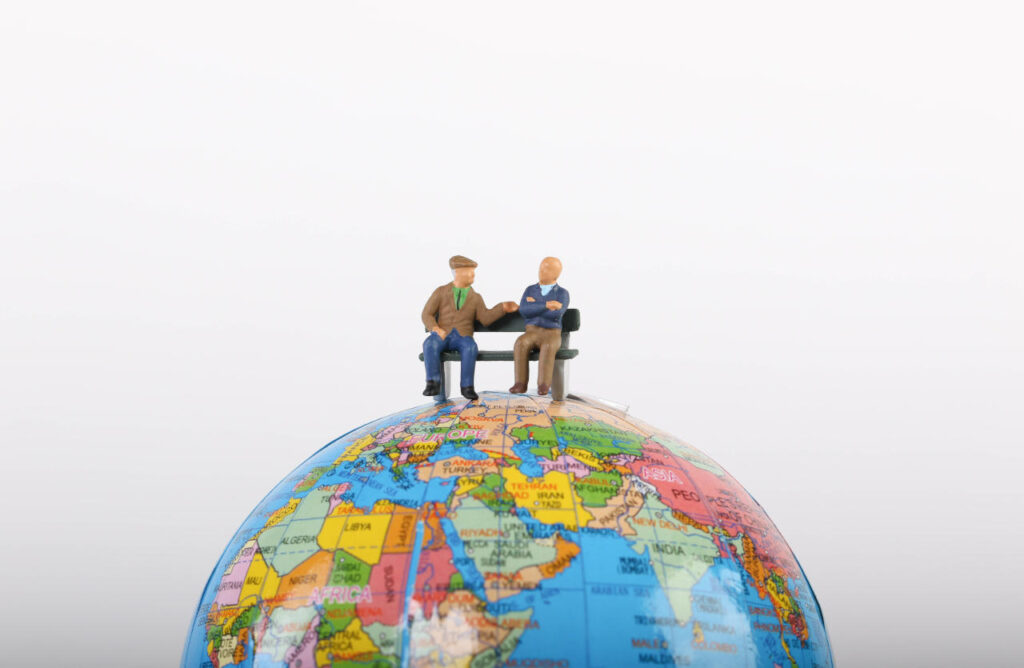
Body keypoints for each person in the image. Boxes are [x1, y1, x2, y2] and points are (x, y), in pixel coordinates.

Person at [421, 255, 518, 400]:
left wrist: (502, 308)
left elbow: (485, 318)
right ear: (457, 272)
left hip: (463, 336)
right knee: (429, 344)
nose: (473, 275)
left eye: (473, 271)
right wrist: (435, 328)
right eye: (469, 271)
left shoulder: (475, 297)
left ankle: (467, 387)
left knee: (470, 348)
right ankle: (433, 383)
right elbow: (426, 313)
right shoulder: (441, 292)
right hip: (442, 333)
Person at [509, 257, 569, 396]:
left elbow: (556, 314)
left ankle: (543, 385)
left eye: (547, 268)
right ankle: (520, 383)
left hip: (552, 332)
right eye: (541, 267)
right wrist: (547, 305)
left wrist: (535, 305)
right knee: (520, 342)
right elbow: (524, 310)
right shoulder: (530, 290)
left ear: (556, 274)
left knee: (548, 347)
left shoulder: (562, 293)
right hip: (532, 331)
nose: (542, 271)